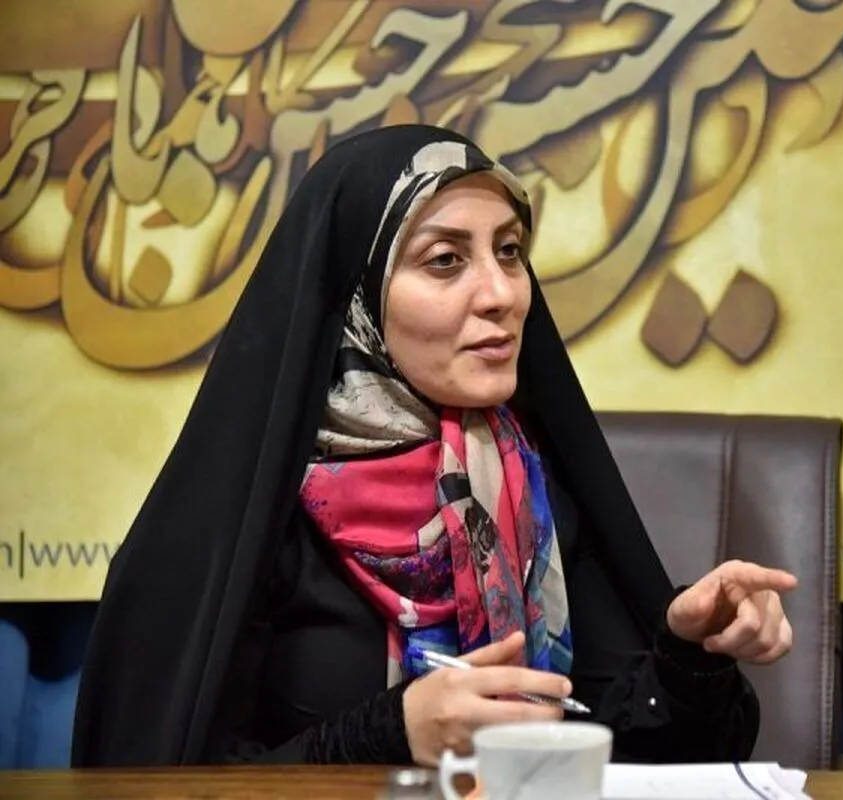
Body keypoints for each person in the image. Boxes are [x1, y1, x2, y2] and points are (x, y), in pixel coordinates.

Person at [71, 125, 797, 768]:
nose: (502, 293)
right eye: (446, 260)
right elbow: (149, 780)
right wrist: (384, 736)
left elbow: (627, 750)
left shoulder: (527, 483)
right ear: (356, 298)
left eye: (509, 251)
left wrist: (687, 651)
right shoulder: (247, 516)